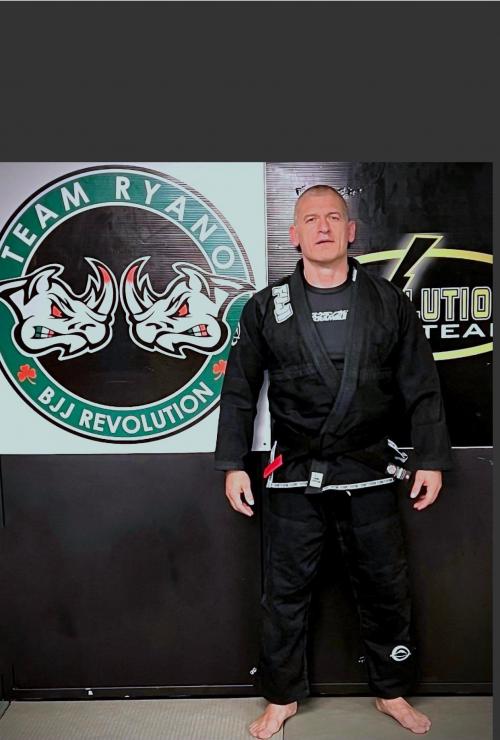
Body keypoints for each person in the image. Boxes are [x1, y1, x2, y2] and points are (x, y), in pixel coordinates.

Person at [215, 185, 452, 738]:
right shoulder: (266, 307)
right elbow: (240, 391)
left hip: (369, 470)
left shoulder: (388, 301)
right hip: (294, 474)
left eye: (332, 217)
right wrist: (233, 464)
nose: (322, 227)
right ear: (293, 235)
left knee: (385, 586)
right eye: (310, 219)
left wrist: (432, 458)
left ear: (350, 231)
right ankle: (281, 696)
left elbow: (421, 384)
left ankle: (391, 690)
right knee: (284, 591)